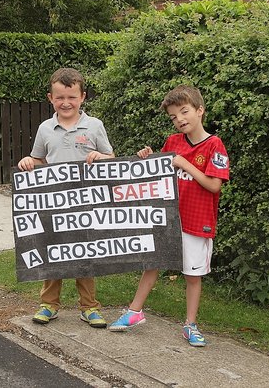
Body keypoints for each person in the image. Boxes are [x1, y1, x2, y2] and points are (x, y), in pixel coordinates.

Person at [108, 85, 230, 347]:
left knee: (192, 275)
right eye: (173, 117)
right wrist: (147, 158)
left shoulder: (214, 145)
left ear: (200, 110)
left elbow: (214, 185)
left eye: (184, 112)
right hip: (167, 218)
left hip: (196, 222)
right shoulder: (173, 142)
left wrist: (185, 164)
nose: (180, 120)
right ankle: (134, 312)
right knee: (151, 263)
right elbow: (158, 175)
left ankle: (190, 325)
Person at [18, 67, 114, 328]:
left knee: (85, 254)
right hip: (54, 202)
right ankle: (49, 304)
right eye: (60, 98)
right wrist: (29, 161)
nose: (66, 103)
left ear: (82, 97)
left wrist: (100, 157)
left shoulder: (95, 126)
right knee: (54, 251)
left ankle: (89, 307)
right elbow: (38, 159)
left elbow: (112, 158)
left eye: (71, 97)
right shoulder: (45, 128)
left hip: (86, 202)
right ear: (51, 98)